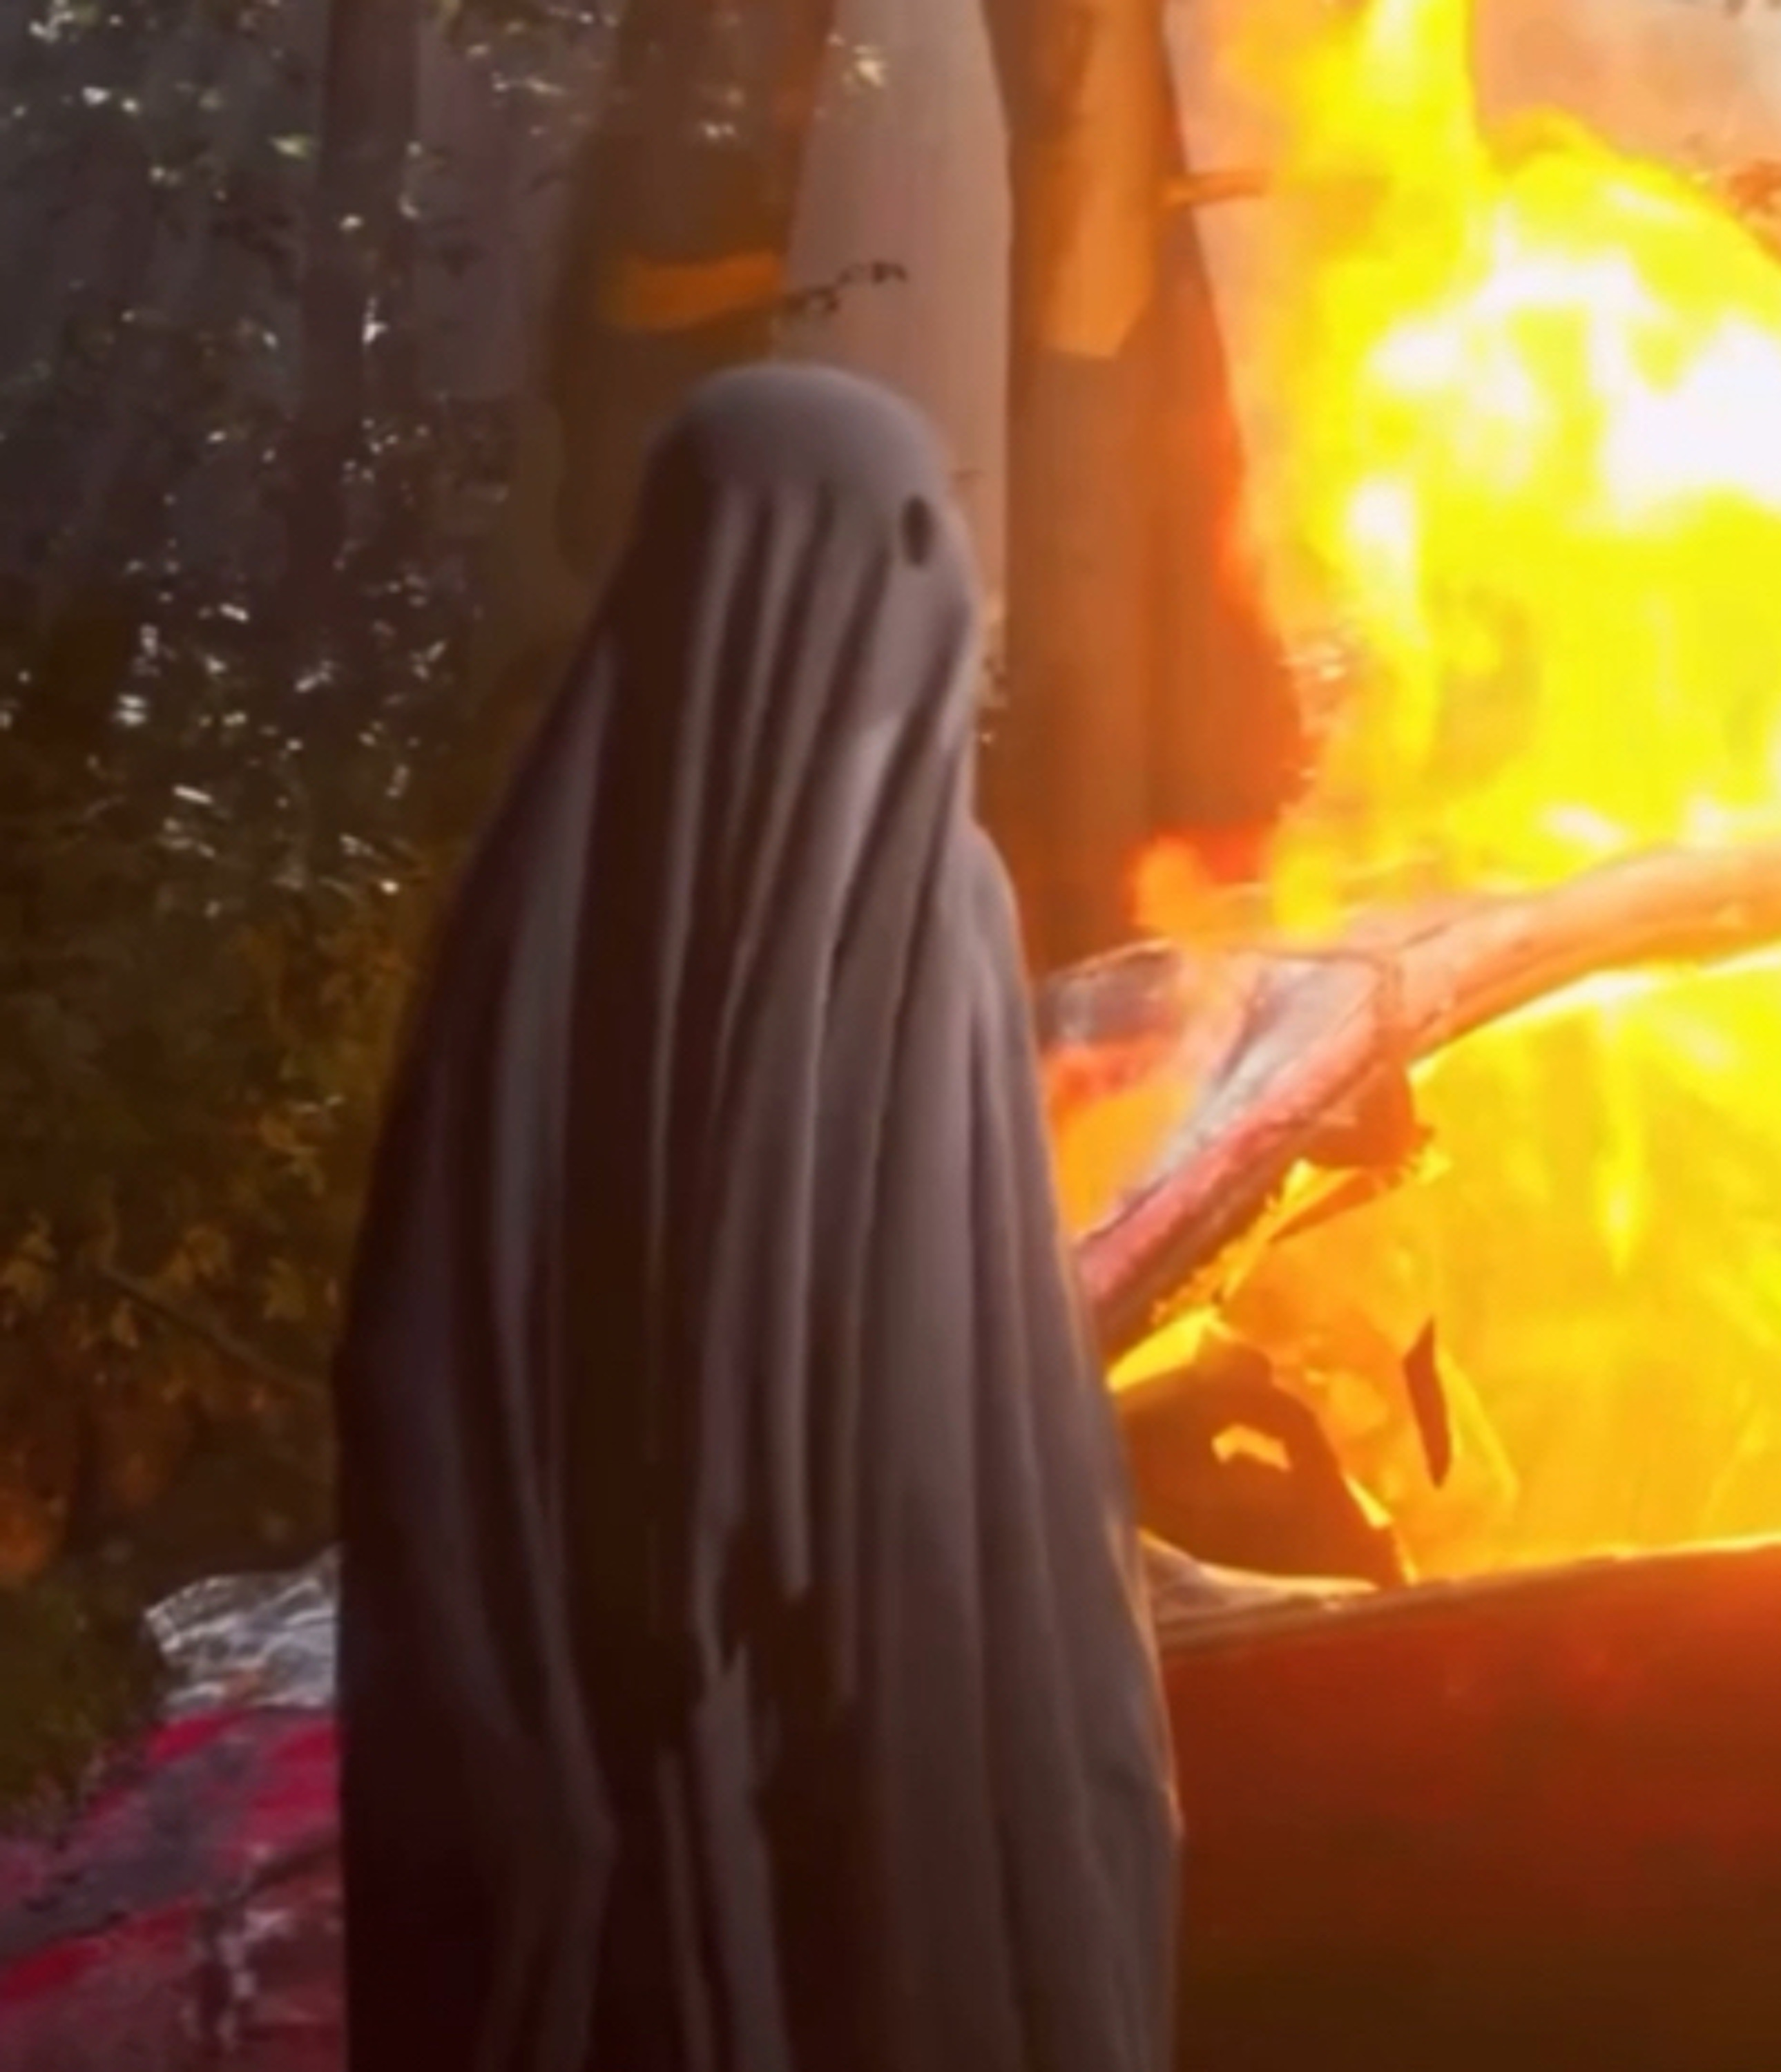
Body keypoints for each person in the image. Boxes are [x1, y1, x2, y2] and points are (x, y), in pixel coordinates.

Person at [331, 365, 1179, 2072]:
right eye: (920, 547)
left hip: (565, 1804)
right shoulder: (921, 913)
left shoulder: (525, 919)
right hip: (840, 1796)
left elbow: (419, 1396)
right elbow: (948, 1446)